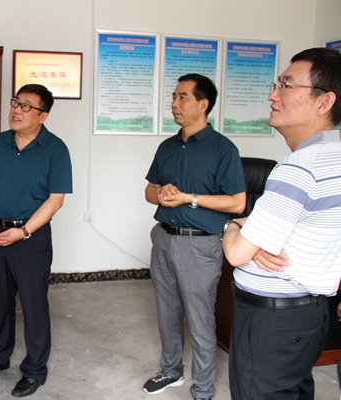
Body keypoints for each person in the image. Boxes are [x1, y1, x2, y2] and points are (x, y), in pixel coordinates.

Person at [222, 47, 341, 400]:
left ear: (325, 102)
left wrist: (234, 226)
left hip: (273, 322)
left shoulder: (300, 167)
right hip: (309, 315)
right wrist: (257, 236)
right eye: (277, 84)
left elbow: (237, 253)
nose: (273, 95)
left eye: (286, 86)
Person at [144, 74, 246, 399]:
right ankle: (171, 371)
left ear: (203, 104)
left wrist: (189, 198)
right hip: (163, 238)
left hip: (199, 244)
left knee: (200, 319)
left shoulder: (223, 149)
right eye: (174, 97)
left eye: (182, 97)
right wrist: (162, 193)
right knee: (167, 312)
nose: (174, 103)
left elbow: (237, 202)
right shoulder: (167, 146)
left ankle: (203, 388)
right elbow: (148, 191)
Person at [0, 84, 72, 397]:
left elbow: (55, 200)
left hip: (30, 240)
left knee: (33, 304)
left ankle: (35, 370)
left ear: (43, 115)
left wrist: (23, 232)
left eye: (26, 106)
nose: (16, 110)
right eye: (16, 102)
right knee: (0, 301)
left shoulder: (55, 149)